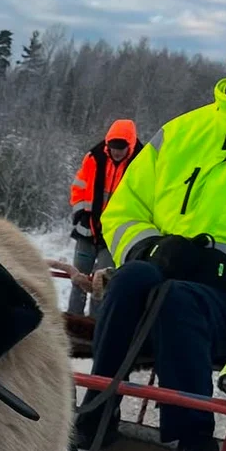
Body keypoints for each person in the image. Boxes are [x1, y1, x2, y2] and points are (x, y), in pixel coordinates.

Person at [75, 65, 226, 451]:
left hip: (224, 301)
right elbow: (124, 210)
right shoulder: (182, 132)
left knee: (178, 300)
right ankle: (96, 413)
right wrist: (151, 247)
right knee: (131, 279)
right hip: (166, 270)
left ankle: (192, 436)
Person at [67, 118, 142, 315]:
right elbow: (78, 187)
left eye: (121, 147)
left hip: (115, 237)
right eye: (112, 146)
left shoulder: (142, 163)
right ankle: (73, 319)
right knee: (79, 279)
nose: (116, 151)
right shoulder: (94, 157)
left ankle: (95, 326)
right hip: (87, 229)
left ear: (131, 145)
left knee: (103, 284)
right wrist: (81, 214)